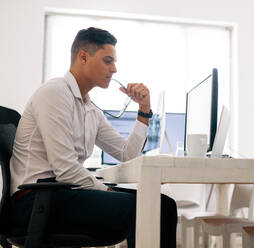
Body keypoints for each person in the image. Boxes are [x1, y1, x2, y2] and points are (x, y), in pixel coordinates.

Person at [10, 27, 177, 247]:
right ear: (83, 57)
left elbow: (128, 153)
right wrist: (105, 190)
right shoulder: (55, 93)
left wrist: (144, 109)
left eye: (114, 62)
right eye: (108, 61)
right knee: (155, 208)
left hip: (59, 196)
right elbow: (66, 168)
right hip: (34, 203)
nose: (114, 69)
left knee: (162, 204)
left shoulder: (90, 109)